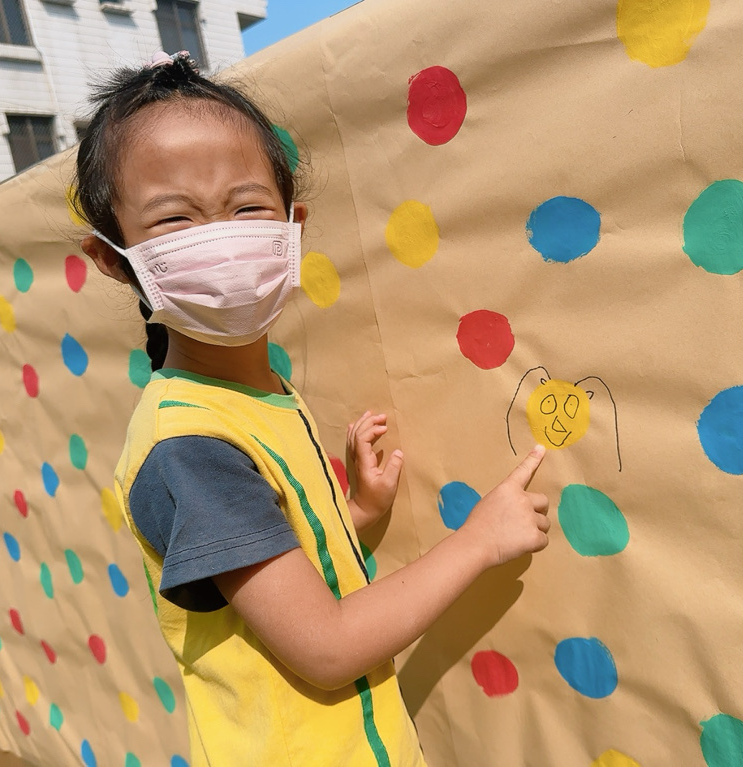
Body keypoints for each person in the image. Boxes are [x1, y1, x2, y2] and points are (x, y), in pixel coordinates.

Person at [74, 51, 551, 767]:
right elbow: (326, 646)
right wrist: (480, 539)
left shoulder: (249, 393)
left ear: (292, 225)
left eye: (246, 207)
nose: (220, 237)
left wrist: (352, 512)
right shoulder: (189, 447)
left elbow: (268, 576)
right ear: (113, 258)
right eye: (174, 218)